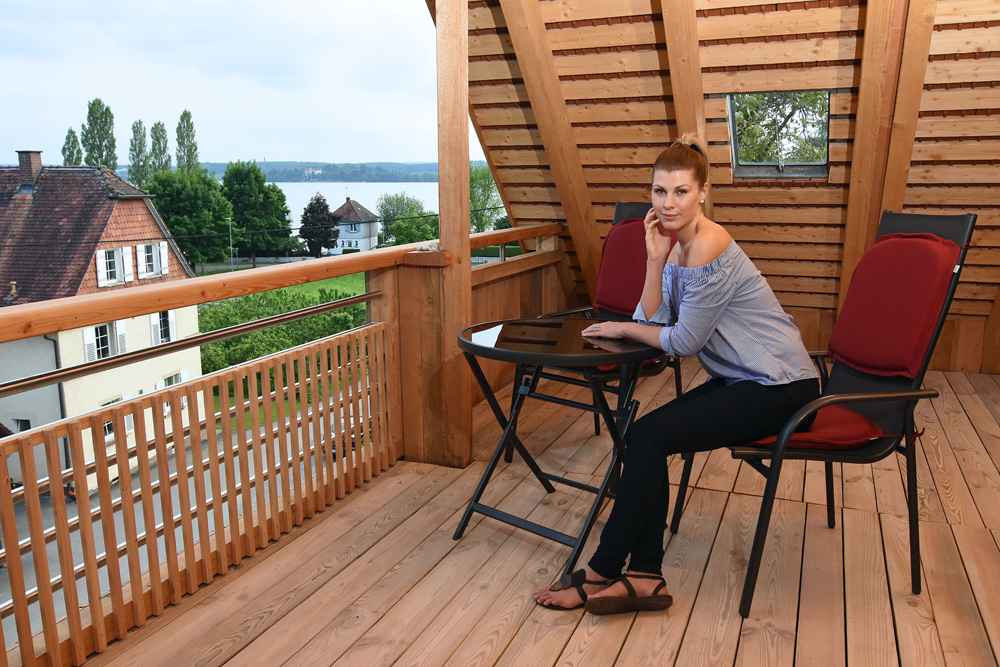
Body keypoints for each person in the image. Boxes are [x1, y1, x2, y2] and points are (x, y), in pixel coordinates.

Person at [533, 135, 820, 615]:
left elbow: (680, 343)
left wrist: (623, 325)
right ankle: (644, 576)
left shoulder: (709, 244)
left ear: (703, 192)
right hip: (740, 380)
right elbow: (655, 320)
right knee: (645, 437)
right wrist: (653, 259)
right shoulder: (676, 247)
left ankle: (606, 569)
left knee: (646, 437)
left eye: (681, 192)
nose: (668, 203)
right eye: (659, 192)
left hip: (782, 386)